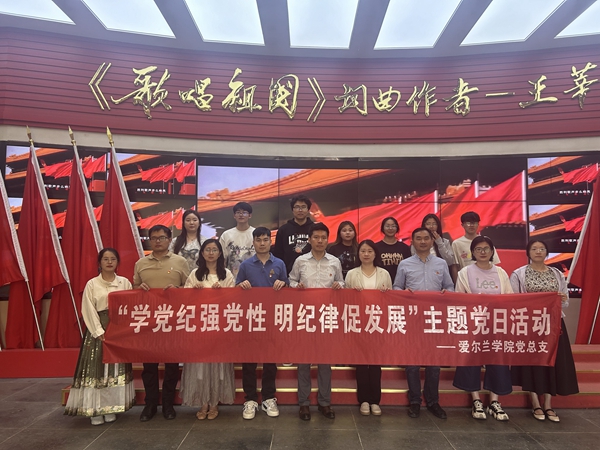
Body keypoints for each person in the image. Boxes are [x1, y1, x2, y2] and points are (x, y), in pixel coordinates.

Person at [510, 239, 579, 423]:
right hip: (530, 324)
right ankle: (535, 403)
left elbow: (565, 302)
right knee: (532, 362)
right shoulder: (518, 274)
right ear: (528, 252)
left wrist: (562, 299)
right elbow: (514, 300)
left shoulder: (556, 273)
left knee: (552, 361)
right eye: (534, 249)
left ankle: (548, 404)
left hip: (553, 324)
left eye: (542, 249)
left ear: (547, 252)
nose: (538, 251)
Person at [65, 248, 135, 425]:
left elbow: (130, 307)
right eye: (105, 259)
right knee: (96, 369)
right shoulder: (92, 284)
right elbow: (88, 309)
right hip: (98, 331)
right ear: (99, 262)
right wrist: (98, 331)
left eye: (113, 259)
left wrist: (124, 331)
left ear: (118, 262)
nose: (109, 262)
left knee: (114, 369)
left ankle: (110, 407)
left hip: (118, 331)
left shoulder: (125, 282)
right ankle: (94, 410)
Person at [393, 227, 454, 420]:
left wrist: (446, 293)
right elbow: (396, 287)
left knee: (433, 365)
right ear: (412, 241)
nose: (422, 241)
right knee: (412, 364)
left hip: (434, 320)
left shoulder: (441, 263)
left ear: (431, 241)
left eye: (426, 238)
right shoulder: (405, 264)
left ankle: (433, 401)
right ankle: (414, 401)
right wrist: (404, 294)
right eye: (418, 238)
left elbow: (450, 287)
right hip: (413, 320)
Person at [134, 225, 190, 422]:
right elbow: (134, 288)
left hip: (172, 322)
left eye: (162, 238)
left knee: (171, 366)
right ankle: (150, 404)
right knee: (149, 366)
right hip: (148, 322)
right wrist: (138, 288)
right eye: (154, 238)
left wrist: (177, 289)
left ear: (169, 239)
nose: (158, 241)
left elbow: (189, 288)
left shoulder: (180, 262)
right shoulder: (141, 263)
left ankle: (168, 404)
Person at [453, 236, 513, 421]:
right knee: (472, 362)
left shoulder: (500, 272)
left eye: (486, 248)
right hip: (474, 325)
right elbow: (459, 298)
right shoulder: (465, 272)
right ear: (473, 252)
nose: (483, 252)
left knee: (498, 361)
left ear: (492, 251)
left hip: (496, 325)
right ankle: (476, 400)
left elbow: (509, 297)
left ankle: (495, 401)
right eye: (478, 249)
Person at [289, 222, 344, 421]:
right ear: (310, 240)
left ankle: (324, 402)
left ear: (327, 240)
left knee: (324, 363)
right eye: (316, 237)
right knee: (303, 362)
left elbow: (342, 281)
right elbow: (291, 280)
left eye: (323, 238)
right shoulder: (300, 261)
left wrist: (339, 285)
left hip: (326, 317)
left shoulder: (334, 262)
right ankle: (303, 403)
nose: (320, 241)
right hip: (305, 317)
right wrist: (296, 286)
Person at [236, 227, 289, 420]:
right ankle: (250, 399)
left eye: (265, 239)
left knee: (270, 361)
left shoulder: (280, 264)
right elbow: (236, 289)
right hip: (251, 319)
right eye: (258, 240)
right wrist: (241, 286)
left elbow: (288, 288)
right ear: (253, 243)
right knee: (249, 361)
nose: (262, 243)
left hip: (272, 319)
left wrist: (284, 284)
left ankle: (268, 397)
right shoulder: (246, 265)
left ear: (270, 241)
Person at [180, 239, 236, 420]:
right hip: (199, 327)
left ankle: (214, 403)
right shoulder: (195, 274)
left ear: (220, 253)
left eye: (214, 250)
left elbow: (233, 302)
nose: (211, 253)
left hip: (220, 327)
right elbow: (185, 301)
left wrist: (222, 293)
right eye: (207, 250)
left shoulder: (226, 274)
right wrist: (193, 292)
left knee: (218, 367)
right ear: (202, 253)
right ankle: (203, 402)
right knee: (200, 367)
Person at [344, 239, 392, 416]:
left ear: (375, 253)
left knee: (375, 364)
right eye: (363, 251)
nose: (366, 254)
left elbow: (391, 301)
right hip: (358, 325)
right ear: (358, 254)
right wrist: (352, 294)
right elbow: (344, 301)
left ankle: (375, 401)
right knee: (362, 364)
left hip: (377, 324)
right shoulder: (352, 274)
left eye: (370, 251)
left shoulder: (384, 274)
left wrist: (386, 294)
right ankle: (364, 400)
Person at [273, 194, 314, 274]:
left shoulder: (315, 229)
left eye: (303, 207)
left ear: (308, 209)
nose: (300, 210)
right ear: (292, 209)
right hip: (288, 273)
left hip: (311, 272)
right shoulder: (283, 230)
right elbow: (278, 254)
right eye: (297, 207)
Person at [414, 214, 458, 281]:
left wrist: (439, 242)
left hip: (440, 276)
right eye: (428, 224)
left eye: (434, 224)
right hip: (421, 275)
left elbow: (450, 261)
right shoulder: (417, 242)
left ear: (438, 226)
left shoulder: (445, 242)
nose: (431, 226)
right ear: (424, 225)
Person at [219, 201, 255, 279]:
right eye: (238, 212)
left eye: (244, 212)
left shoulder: (255, 233)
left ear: (250, 215)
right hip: (231, 279)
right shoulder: (226, 235)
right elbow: (222, 259)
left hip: (253, 278)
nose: (241, 215)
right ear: (234, 215)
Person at [374, 217, 411, 283]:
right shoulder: (375, 247)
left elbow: (409, 268)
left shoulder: (405, 248)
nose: (390, 228)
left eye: (393, 226)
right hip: (381, 284)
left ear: (397, 228)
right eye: (387, 226)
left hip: (400, 284)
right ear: (382, 228)